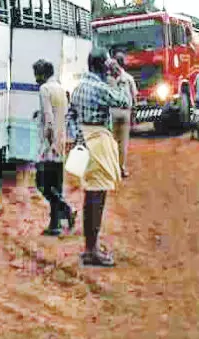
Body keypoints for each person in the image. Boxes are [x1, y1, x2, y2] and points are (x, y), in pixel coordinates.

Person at [67, 48, 131, 267]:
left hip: (83, 142)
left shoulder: (78, 88)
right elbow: (125, 101)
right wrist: (119, 76)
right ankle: (91, 250)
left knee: (90, 197)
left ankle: (89, 247)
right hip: (98, 142)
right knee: (97, 198)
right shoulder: (101, 88)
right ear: (103, 66)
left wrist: (78, 138)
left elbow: (71, 117)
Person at [33, 59, 76, 236]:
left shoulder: (44, 89)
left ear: (43, 74)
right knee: (56, 184)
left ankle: (66, 209)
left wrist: (48, 143)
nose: (35, 78)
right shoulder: (59, 88)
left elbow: (49, 119)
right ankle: (55, 224)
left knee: (42, 183)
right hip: (61, 140)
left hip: (49, 144)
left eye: (37, 73)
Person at [108, 51, 137, 178]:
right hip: (125, 112)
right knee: (123, 143)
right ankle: (121, 169)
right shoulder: (129, 78)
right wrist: (134, 115)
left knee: (112, 142)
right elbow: (134, 97)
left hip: (112, 112)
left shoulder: (108, 80)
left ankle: (112, 169)